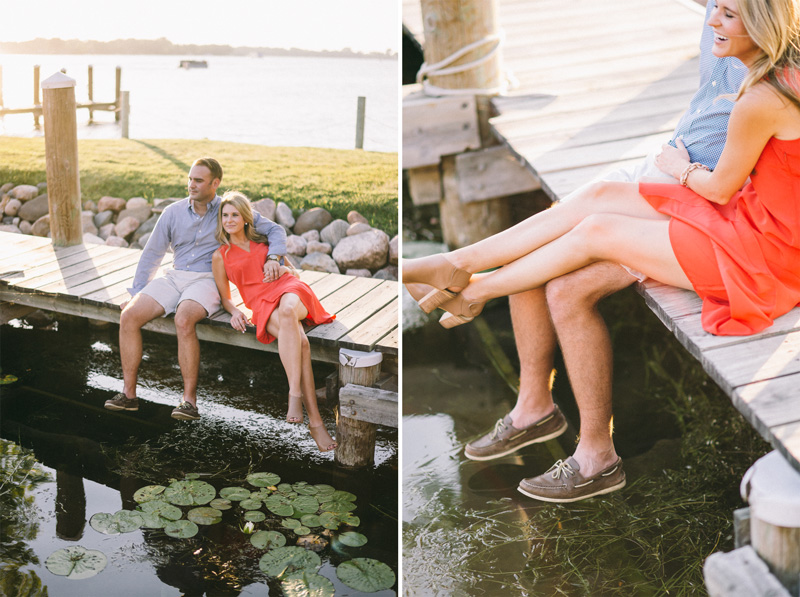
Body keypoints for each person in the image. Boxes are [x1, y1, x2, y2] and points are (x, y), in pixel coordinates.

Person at [404, 0, 800, 502]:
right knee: (594, 205)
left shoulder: (760, 96)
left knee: (592, 234)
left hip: (761, 253)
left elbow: (720, 188)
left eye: (726, 14)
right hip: (755, 218)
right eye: (713, 10)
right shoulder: (776, 72)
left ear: (760, 25)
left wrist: (677, 166)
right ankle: (464, 274)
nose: (713, 21)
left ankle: (475, 288)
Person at [104, 158, 287, 421]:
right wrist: (137, 292)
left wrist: (274, 257)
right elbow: (152, 253)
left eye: (198, 180)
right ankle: (129, 395)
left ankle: (189, 401)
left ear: (215, 183)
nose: (191, 185)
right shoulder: (173, 212)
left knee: (184, 317)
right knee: (129, 316)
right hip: (175, 275)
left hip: (208, 279)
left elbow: (276, 230)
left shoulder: (228, 209)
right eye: (190, 179)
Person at [212, 192, 337, 452]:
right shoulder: (220, 256)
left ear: (246, 218)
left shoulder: (266, 241)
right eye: (225, 215)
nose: (230, 220)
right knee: (301, 343)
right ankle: (316, 423)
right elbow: (225, 298)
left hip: (290, 291)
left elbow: (293, 271)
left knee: (289, 311)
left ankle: (294, 394)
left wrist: (282, 268)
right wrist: (235, 311)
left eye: (235, 214)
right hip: (261, 304)